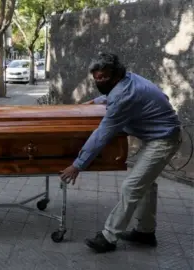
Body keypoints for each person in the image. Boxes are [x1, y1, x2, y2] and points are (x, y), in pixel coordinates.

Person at [60, 53, 182, 253]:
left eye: (103, 78)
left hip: (164, 140)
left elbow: (102, 134)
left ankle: (108, 237)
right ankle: (145, 233)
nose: (98, 81)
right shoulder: (128, 80)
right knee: (146, 185)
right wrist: (93, 102)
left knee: (131, 186)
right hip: (158, 136)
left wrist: (78, 165)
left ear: (115, 75)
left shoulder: (123, 94)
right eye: (96, 78)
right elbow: (112, 95)